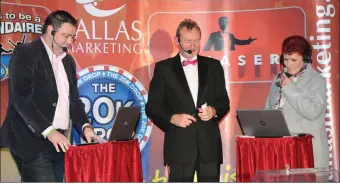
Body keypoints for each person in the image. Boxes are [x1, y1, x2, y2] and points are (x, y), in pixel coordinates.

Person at [0, 10, 106, 182]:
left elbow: (74, 100)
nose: (70, 42)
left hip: (60, 142)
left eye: (73, 37)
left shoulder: (68, 61)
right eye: (66, 36)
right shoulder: (25, 53)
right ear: (50, 30)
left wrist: (86, 127)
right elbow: (22, 99)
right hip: (31, 140)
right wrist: (49, 131)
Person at [146, 19, 230, 182]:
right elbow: (152, 106)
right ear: (177, 41)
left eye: (196, 41)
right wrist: (172, 118)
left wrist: (214, 111)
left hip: (209, 147)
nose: (193, 45)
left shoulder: (214, 66)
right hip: (179, 147)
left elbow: (223, 101)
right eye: (187, 41)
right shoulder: (164, 68)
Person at [265, 35, 329, 168]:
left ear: (305, 59)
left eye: (293, 60)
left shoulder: (316, 80)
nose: (288, 64)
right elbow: (268, 110)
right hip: (280, 148)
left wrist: (289, 88)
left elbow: (312, 112)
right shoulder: (278, 78)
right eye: (285, 59)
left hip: (306, 151)